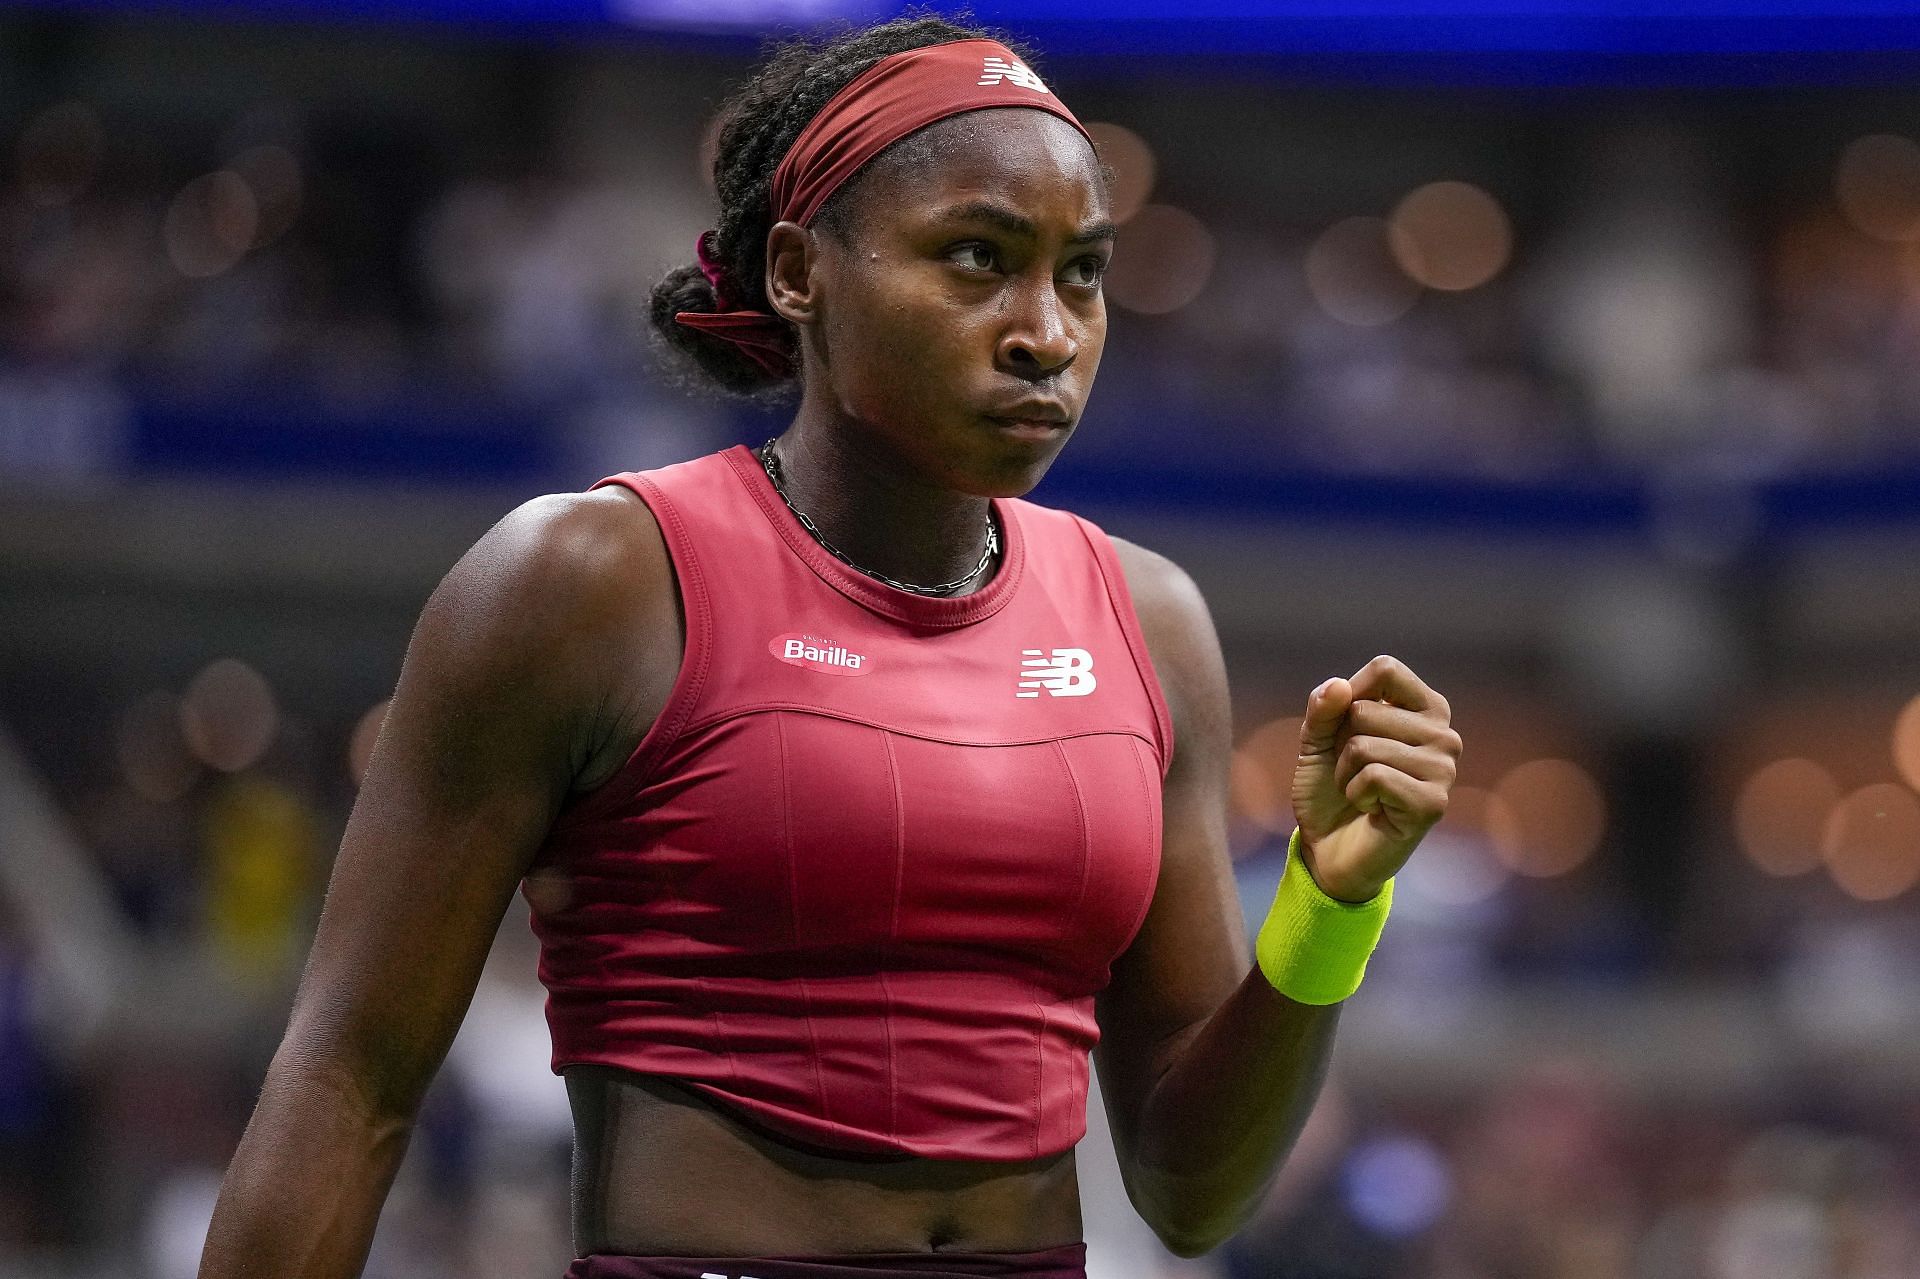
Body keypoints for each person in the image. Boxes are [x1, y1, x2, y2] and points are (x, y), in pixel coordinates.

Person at [197, 15, 1462, 1279]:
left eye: (1081, 272)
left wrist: (1330, 904)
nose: (1047, 333)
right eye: (978, 257)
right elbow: (347, 1086)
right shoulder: (586, 583)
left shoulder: (1150, 623)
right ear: (802, 271)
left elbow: (1192, 1196)